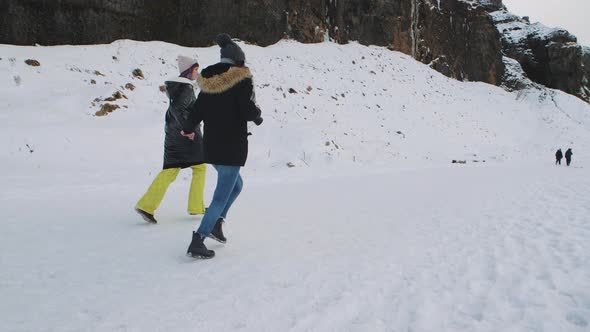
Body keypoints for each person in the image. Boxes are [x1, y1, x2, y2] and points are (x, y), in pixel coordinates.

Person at [181, 33, 263, 259]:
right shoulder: (241, 79)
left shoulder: (209, 81)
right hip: (231, 146)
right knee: (220, 196)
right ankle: (199, 239)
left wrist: (188, 128)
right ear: (238, 61)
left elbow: (197, 109)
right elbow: (247, 109)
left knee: (236, 186)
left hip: (212, 147)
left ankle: (217, 224)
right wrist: (257, 115)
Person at [135, 56, 206, 224]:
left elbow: (175, 109)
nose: (198, 73)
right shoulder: (186, 88)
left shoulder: (177, 87)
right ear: (188, 71)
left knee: (171, 169)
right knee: (200, 167)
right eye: (196, 70)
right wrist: (187, 129)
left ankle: (147, 205)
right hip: (185, 136)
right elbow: (178, 108)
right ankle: (195, 206)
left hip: (174, 135)